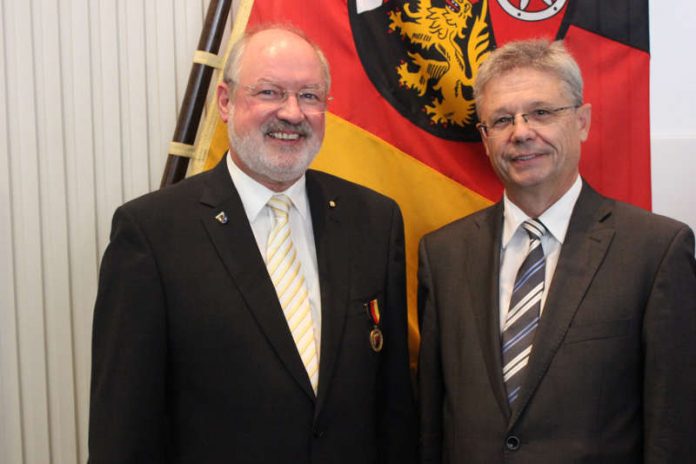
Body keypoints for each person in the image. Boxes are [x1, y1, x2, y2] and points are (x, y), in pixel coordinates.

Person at [88, 25, 417, 463]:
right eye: (269, 92)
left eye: (310, 96)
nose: (293, 113)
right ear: (225, 101)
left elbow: (393, 405)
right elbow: (123, 428)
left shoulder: (374, 220)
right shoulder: (151, 233)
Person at [417, 39, 696, 463]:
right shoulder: (443, 255)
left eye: (542, 112)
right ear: (485, 138)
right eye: (502, 119)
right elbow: (433, 426)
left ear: (582, 121)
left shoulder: (656, 251)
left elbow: (673, 430)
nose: (522, 131)